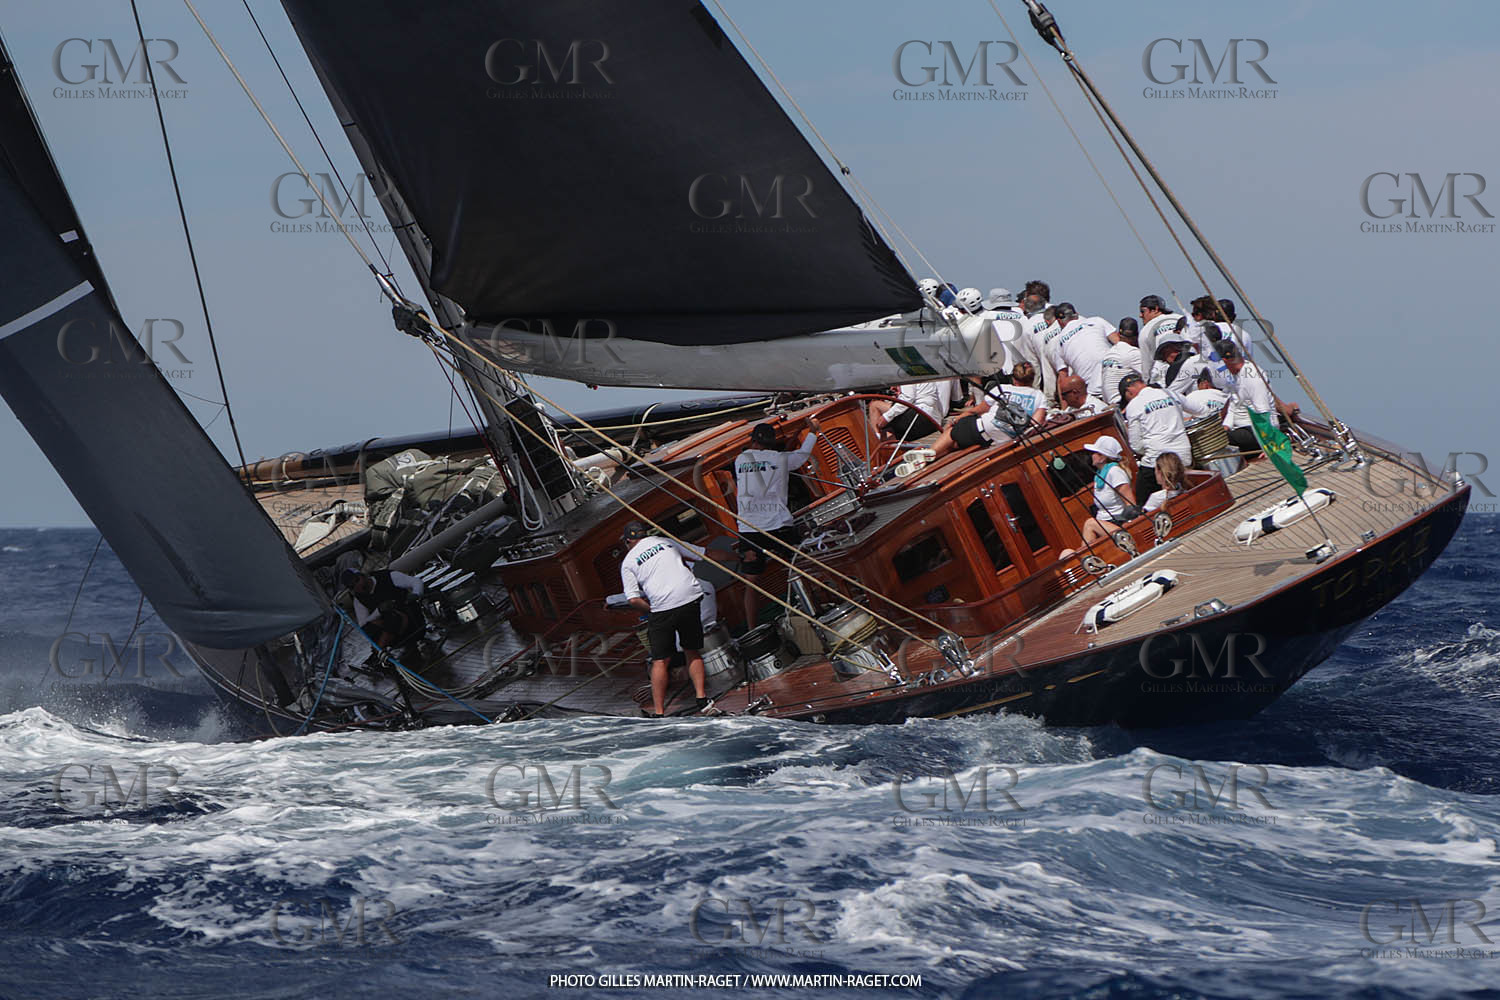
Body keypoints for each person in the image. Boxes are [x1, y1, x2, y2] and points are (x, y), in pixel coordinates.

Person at [728, 418, 822, 623]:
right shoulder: (780, 459)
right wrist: (813, 432)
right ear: (772, 442)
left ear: (753, 441)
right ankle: (816, 611)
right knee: (799, 566)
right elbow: (800, 457)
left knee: (752, 583)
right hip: (779, 525)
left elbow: (767, 462)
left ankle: (752, 629)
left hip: (749, 529)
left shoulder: (740, 460)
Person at [618, 521, 708, 717]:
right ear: (646, 534)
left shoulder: (628, 562)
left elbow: (633, 599)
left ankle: (659, 712)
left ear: (628, 541)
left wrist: (651, 609)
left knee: (660, 660)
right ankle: (702, 698)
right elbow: (702, 554)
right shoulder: (664, 541)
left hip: (662, 609)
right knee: (691, 649)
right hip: (690, 598)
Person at [1120, 372, 1191, 499]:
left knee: (1141, 495)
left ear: (1129, 391)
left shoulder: (1134, 405)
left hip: (1157, 461)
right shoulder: (1170, 393)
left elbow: (1136, 445)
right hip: (1184, 456)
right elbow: (1200, 410)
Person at [1077, 435, 1136, 550]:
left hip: (1119, 523)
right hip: (1106, 523)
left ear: (1102, 457)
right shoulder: (1099, 475)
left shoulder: (1115, 472)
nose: (1091, 455)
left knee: (1090, 523)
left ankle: (1088, 561)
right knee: (1067, 552)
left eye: (1094, 452)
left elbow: (1131, 505)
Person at [1218, 341, 1277, 454]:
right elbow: (1233, 406)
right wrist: (1225, 426)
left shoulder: (1252, 377)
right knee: (1216, 436)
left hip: (1256, 431)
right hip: (1241, 429)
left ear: (1224, 360)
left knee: (1216, 441)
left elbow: (1263, 411)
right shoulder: (1236, 375)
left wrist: (1269, 445)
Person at [869, 379, 953, 441]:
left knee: (876, 407)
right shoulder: (922, 369)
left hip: (921, 418)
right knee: (886, 426)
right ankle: (880, 443)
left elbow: (908, 398)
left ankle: (875, 443)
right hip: (933, 419)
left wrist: (886, 417)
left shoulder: (906, 372)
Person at [343, 568, 425, 628]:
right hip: (390, 627)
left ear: (363, 576)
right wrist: (378, 611)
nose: (358, 586)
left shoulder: (387, 576)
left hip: (412, 617)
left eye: (357, 580)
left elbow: (416, 582)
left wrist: (416, 594)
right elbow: (363, 624)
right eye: (352, 586)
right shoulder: (358, 600)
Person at [1100, 318, 1144, 407]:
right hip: (1123, 404)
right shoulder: (1133, 353)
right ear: (1136, 336)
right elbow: (1151, 376)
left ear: (1118, 334)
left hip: (1108, 404)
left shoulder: (1108, 354)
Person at [1137, 294, 1183, 374]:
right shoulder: (1180, 318)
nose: (1140, 315)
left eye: (1142, 311)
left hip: (1164, 373)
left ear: (1155, 309)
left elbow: (1147, 363)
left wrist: (1146, 380)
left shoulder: (1146, 330)